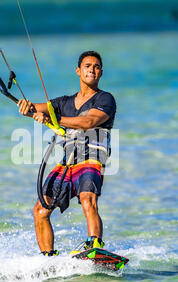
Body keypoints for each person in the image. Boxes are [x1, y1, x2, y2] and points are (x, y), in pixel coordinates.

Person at [17, 51, 117, 256]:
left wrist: (53, 120)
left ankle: (95, 247)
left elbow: (87, 122)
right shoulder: (64, 102)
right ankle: (48, 257)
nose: (92, 69)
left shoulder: (105, 99)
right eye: (88, 65)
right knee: (40, 209)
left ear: (101, 73)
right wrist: (25, 106)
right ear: (78, 71)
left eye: (96, 67)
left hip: (92, 158)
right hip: (68, 163)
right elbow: (36, 109)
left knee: (87, 197)